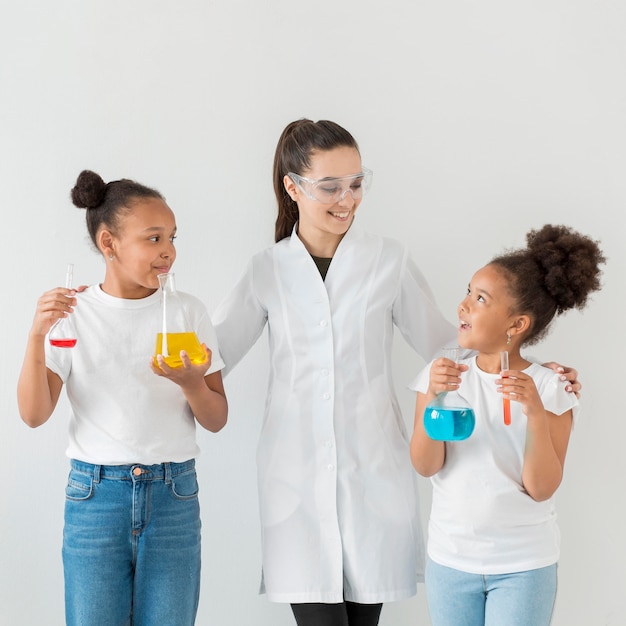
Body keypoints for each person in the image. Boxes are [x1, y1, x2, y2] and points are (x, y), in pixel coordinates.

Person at [212, 119, 582, 626]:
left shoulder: (387, 259)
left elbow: (453, 346)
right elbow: (212, 356)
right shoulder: (266, 270)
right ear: (292, 187)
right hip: (292, 479)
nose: (348, 198)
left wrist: (538, 369)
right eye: (331, 186)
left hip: (374, 474)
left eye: (357, 183)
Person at [17, 170, 228, 626]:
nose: (168, 250)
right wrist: (37, 336)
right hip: (95, 500)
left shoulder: (187, 311)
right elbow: (34, 414)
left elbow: (216, 419)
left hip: (173, 496)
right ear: (109, 243)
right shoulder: (73, 315)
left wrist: (191, 383)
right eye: (153, 238)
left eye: (172, 237)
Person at [409, 224, 605, 626]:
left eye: (480, 299)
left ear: (516, 325)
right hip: (450, 561)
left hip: (523, 566)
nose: (463, 305)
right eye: (468, 291)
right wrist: (433, 396)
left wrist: (534, 412)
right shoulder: (440, 376)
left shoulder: (551, 388)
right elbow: (425, 465)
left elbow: (542, 487)